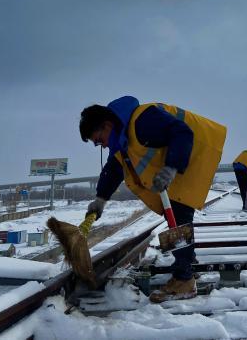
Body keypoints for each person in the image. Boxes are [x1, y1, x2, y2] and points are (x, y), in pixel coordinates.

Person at [79, 96, 226, 302]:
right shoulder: (123, 138)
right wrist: (100, 200)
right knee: (174, 213)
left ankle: (184, 279)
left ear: (107, 125)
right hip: (181, 157)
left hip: (194, 152)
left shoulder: (142, 120)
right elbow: (114, 169)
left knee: (178, 214)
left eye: (99, 140)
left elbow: (182, 132)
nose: (101, 146)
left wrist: (170, 168)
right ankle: (187, 262)